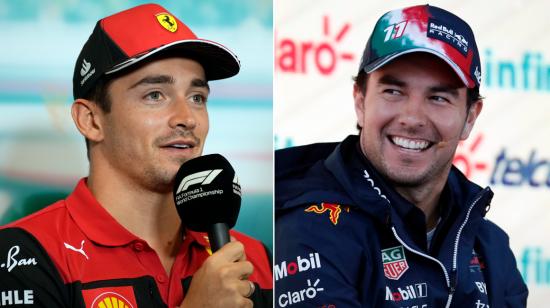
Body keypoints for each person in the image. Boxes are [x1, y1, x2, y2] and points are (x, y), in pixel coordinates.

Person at [0, 3, 272, 307]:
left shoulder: (255, 259)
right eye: (155, 95)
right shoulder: (23, 255)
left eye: (197, 97)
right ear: (90, 120)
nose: (187, 118)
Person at [275, 4, 527, 307]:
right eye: (393, 92)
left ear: (470, 117)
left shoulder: (491, 247)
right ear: (360, 101)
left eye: (438, 97)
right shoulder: (310, 229)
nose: (412, 117)